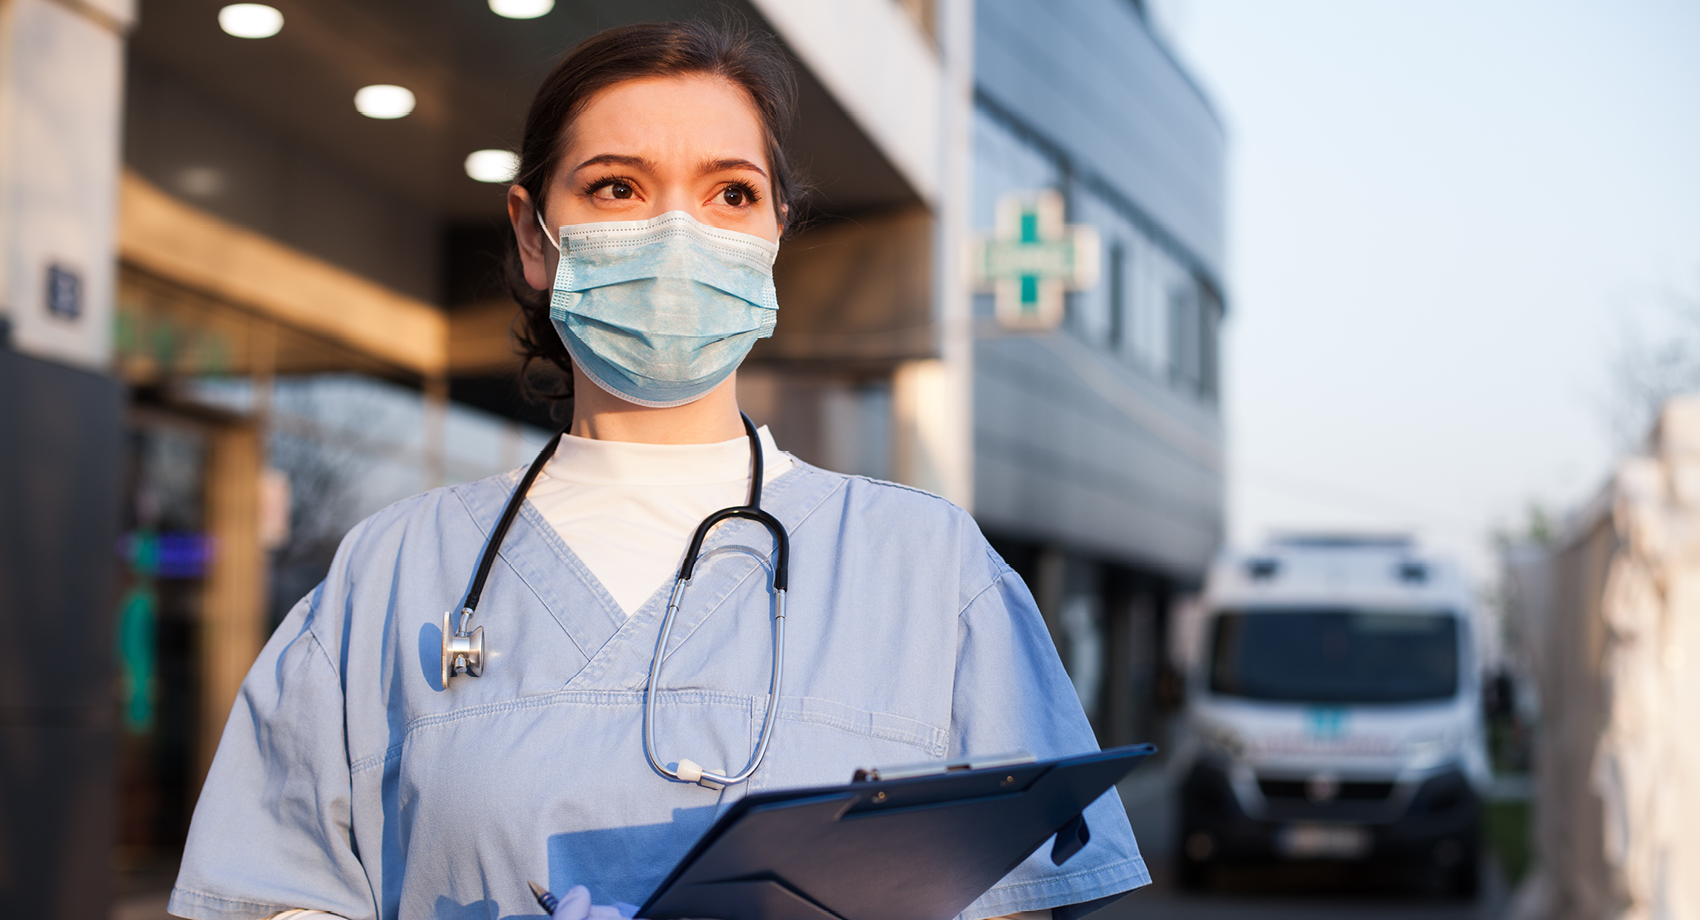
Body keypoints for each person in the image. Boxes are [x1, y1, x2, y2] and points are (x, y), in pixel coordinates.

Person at [166, 20, 1147, 920]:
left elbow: (1024, 894)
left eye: (730, 193)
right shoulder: (392, 572)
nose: (679, 235)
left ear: (771, 238)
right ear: (531, 234)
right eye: (616, 187)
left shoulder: (929, 571)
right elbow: (271, 891)